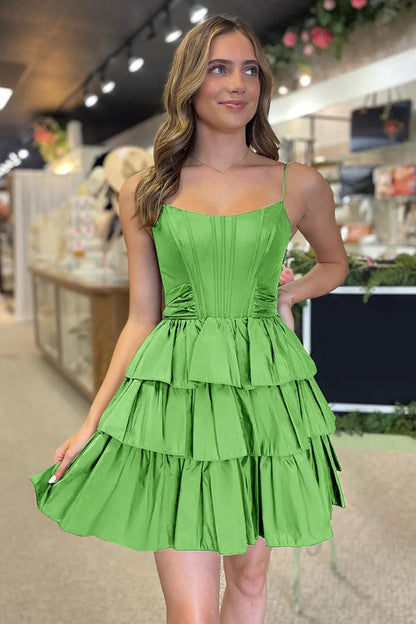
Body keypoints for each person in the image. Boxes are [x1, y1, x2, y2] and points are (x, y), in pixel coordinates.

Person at [30, 13, 349, 624]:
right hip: (177, 392)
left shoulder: (299, 184)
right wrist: (92, 422)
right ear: (189, 82)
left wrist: (289, 296)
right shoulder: (145, 190)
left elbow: (334, 263)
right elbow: (141, 317)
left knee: (250, 578)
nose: (238, 83)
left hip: (262, 390)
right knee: (191, 610)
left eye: (250, 69)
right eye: (218, 68)